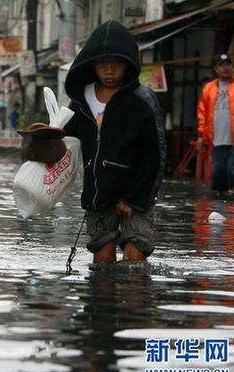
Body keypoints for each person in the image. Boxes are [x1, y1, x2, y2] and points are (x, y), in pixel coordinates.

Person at [63, 20, 166, 264]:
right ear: (92, 65)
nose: (110, 71)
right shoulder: (81, 100)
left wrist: (136, 197)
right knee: (103, 259)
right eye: (103, 64)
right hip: (99, 194)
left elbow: (157, 154)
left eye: (117, 63)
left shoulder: (142, 100)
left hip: (137, 192)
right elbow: (68, 142)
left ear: (128, 63)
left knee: (135, 256)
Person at [196, 54, 234, 195]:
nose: (225, 68)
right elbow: (202, 113)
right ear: (216, 69)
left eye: (228, 64)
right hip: (217, 140)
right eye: (221, 65)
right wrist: (201, 136)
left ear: (232, 66)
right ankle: (220, 209)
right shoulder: (208, 88)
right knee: (218, 177)